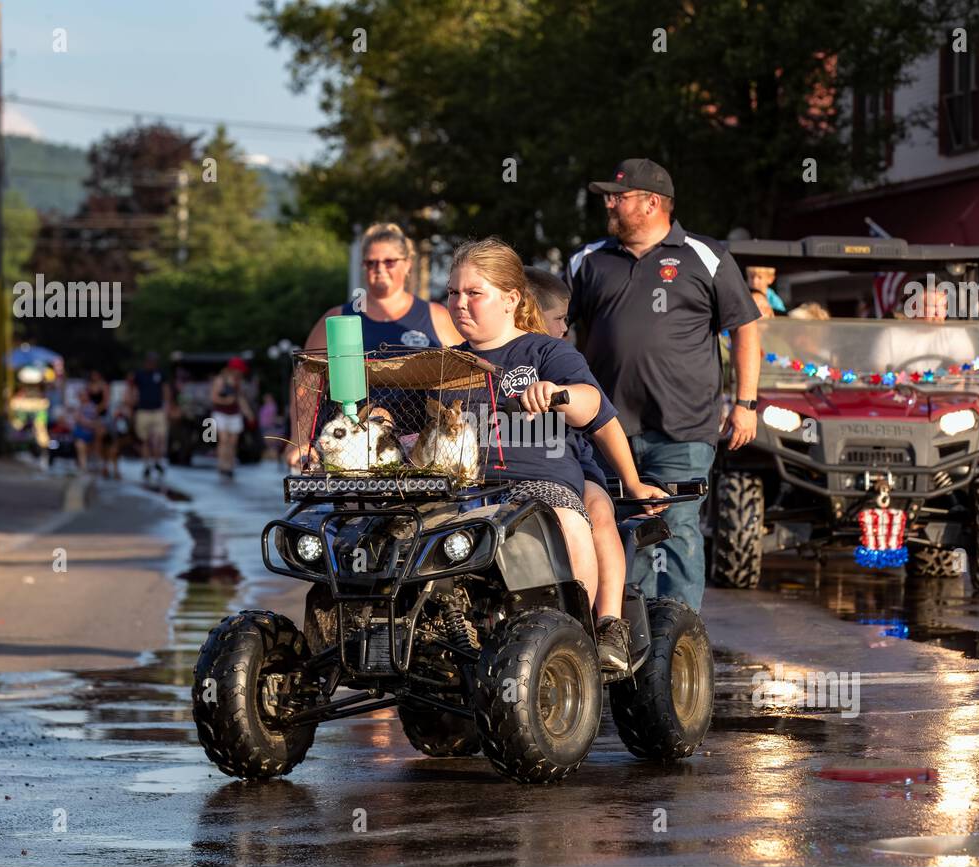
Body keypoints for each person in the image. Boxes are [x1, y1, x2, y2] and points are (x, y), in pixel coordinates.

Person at [450, 239, 666, 669]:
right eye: (453, 293)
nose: (459, 303)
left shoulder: (547, 352)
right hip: (462, 490)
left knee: (569, 518)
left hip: (537, 486)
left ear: (511, 299)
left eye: (474, 293)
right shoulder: (445, 364)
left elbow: (594, 409)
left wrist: (558, 393)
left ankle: (580, 639)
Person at [567, 158, 760, 612]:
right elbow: (552, 328)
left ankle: (675, 642)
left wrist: (745, 402)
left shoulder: (706, 255)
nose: (610, 205)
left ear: (653, 203)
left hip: (684, 428)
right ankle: (622, 635)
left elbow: (746, 327)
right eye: (608, 197)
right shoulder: (588, 261)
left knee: (675, 530)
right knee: (614, 528)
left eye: (619, 197)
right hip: (605, 429)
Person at [528, 266, 669, 668]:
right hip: (517, 478)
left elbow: (600, 417)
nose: (565, 328)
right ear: (530, 314)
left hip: (573, 464)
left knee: (599, 512)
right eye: (559, 319)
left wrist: (632, 482)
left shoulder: (556, 358)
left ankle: (608, 622)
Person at [287, 221, 463, 470]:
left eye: (389, 261)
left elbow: (464, 379)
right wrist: (299, 439)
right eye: (371, 263)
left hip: (420, 445)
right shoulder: (336, 319)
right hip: (352, 443)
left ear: (408, 264)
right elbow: (305, 382)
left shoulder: (437, 316)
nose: (380, 269)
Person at [131, 351, 170, 481]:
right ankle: (147, 464)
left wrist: (167, 406)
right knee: (145, 439)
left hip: (157, 410)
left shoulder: (160, 374)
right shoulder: (139, 375)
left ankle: (157, 461)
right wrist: (131, 405)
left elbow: (165, 390)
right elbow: (133, 390)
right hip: (143, 410)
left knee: (159, 438)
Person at [211, 357, 252, 479]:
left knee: (233, 442)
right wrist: (226, 401)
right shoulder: (220, 380)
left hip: (234, 414)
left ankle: (230, 465)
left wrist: (248, 413)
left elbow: (240, 399)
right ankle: (222, 465)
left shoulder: (238, 382)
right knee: (223, 439)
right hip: (221, 413)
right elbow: (213, 398)